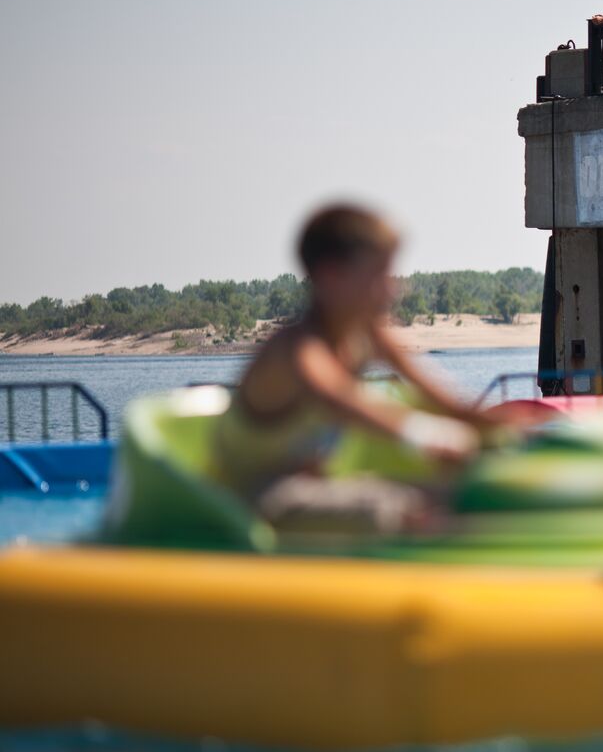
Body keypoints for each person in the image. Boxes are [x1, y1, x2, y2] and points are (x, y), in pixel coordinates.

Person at [211, 204, 521, 536]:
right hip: (253, 501)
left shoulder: (366, 333)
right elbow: (341, 398)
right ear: (332, 276)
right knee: (398, 511)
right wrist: (426, 433)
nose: (393, 289)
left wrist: (515, 429)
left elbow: (441, 397)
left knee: (468, 493)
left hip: (316, 486)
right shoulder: (298, 348)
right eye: (380, 274)